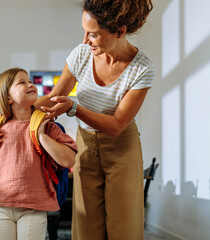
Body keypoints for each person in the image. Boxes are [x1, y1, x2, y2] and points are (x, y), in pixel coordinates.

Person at [34, 0, 155, 239]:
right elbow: (55, 97)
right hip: (85, 145)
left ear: (120, 31)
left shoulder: (142, 69)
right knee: (86, 223)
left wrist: (75, 108)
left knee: (124, 227)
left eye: (93, 34)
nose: (85, 40)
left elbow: (117, 125)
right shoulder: (81, 54)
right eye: (85, 31)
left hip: (122, 148)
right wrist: (15, 109)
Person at [0, 68, 78, 240]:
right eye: (22, 82)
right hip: (0, 207)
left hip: (34, 207)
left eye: (30, 81)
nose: (31, 84)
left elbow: (69, 160)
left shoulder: (47, 125)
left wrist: (42, 136)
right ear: (8, 97)